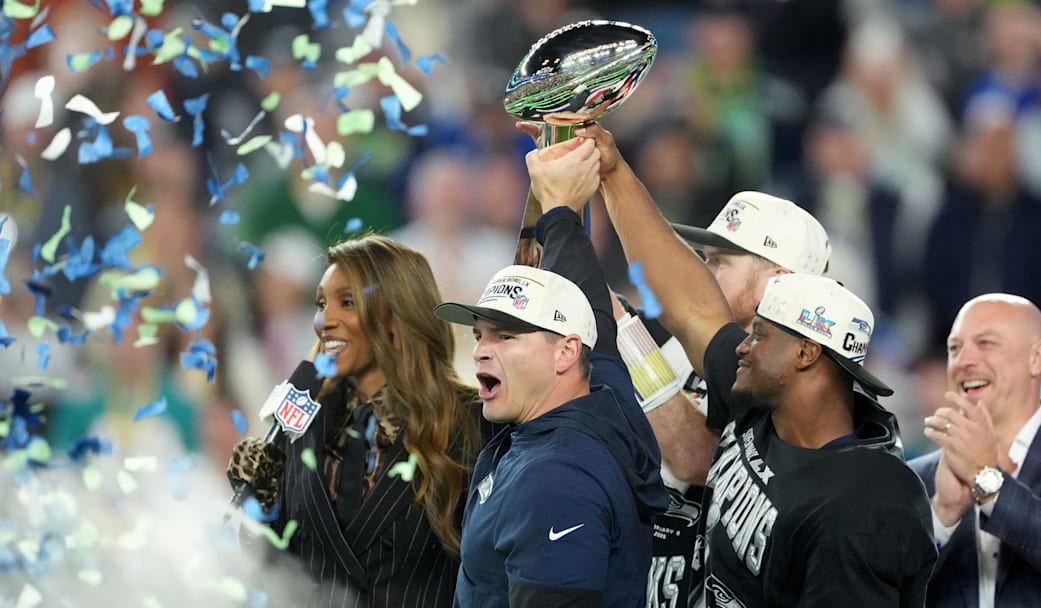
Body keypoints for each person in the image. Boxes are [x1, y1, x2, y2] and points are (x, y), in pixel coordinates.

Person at [573, 122, 937, 605]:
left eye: (721, 260)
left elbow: (694, 457)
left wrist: (631, 344)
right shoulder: (760, 379)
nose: (703, 273)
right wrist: (613, 172)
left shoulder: (862, 498)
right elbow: (690, 306)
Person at [435, 137, 667, 606]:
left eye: (506, 336)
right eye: (480, 334)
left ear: (564, 354)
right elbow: (589, 309)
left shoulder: (556, 479)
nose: (480, 351)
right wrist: (560, 206)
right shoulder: (601, 392)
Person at [226, 234, 495, 607]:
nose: (324, 320)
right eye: (321, 303)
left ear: (396, 312)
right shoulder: (303, 417)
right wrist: (259, 506)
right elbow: (268, 569)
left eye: (346, 302)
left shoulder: (472, 423)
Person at [909, 293, 1041, 606]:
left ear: (1037, 358)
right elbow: (883, 592)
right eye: (954, 348)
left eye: (986, 343)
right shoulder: (916, 479)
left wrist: (989, 484)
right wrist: (942, 516)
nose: (964, 361)